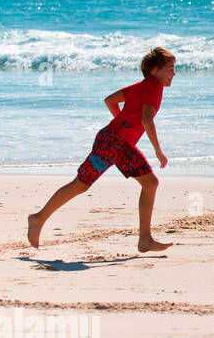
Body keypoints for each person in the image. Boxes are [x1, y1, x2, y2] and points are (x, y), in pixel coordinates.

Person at [27, 47, 176, 252]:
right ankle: (38, 218)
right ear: (156, 69)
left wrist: (121, 123)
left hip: (118, 143)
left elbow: (110, 100)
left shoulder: (142, 85)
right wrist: (158, 151)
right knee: (82, 184)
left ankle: (145, 239)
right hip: (113, 143)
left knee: (149, 183)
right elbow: (146, 119)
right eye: (170, 68)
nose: (174, 73)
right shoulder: (154, 86)